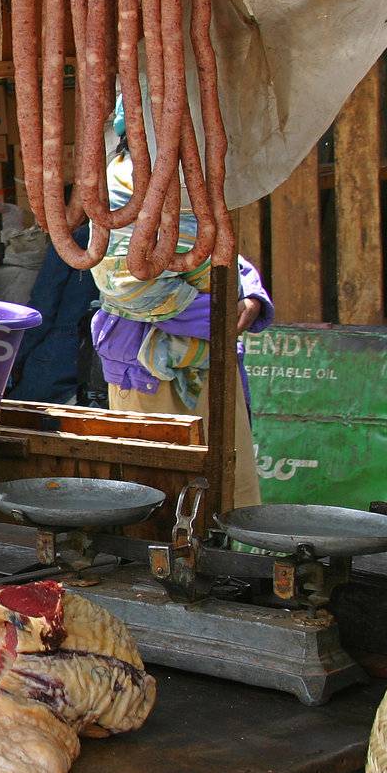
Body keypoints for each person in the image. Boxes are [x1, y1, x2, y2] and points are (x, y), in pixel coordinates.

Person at [89, 106, 271, 504]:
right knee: (160, 500)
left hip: (214, 361)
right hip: (149, 366)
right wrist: (222, 313)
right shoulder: (121, 185)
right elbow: (126, 284)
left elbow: (222, 253)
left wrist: (250, 296)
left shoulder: (198, 181)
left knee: (227, 495)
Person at [9, 222, 99, 404]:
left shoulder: (74, 238)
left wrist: (14, 362)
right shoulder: (145, 234)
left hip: (61, 362)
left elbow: (43, 307)